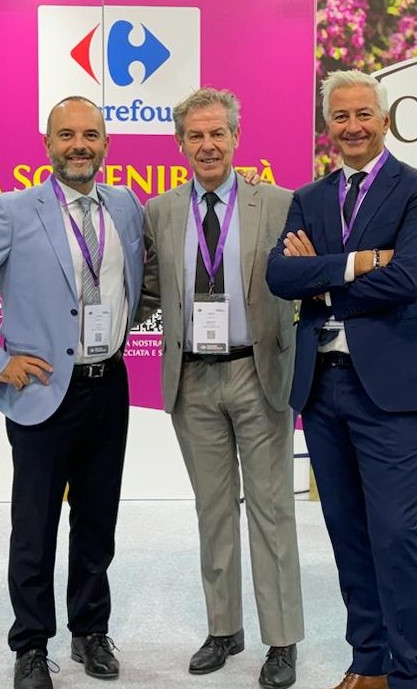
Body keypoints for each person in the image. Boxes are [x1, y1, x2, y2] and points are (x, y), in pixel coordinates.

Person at [0, 96, 144, 689]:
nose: (80, 145)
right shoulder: (12, 211)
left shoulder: (126, 206)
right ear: (48, 144)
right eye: (67, 135)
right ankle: (29, 644)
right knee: (35, 524)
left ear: (106, 145)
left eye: (91, 135)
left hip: (109, 384)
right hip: (45, 390)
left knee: (97, 519)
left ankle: (90, 630)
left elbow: (141, 278)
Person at [266, 69, 417, 689]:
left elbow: (410, 279)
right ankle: (368, 660)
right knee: (346, 531)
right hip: (323, 387)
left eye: (363, 114)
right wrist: (358, 263)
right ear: (328, 127)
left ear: (385, 120)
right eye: (340, 116)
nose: (353, 126)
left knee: (395, 533)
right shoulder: (309, 198)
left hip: (389, 390)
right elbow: (280, 277)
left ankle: (411, 674)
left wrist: (320, 278)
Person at [138, 87, 304, 689]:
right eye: (195, 136)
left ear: (236, 138)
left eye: (217, 133)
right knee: (212, 511)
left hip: (258, 373)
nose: (207, 145)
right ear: (180, 144)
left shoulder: (279, 203)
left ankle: (281, 640)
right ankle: (223, 628)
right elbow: (147, 290)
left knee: (271, 508)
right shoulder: (159, 211)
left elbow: (305, 276)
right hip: (191, 378)